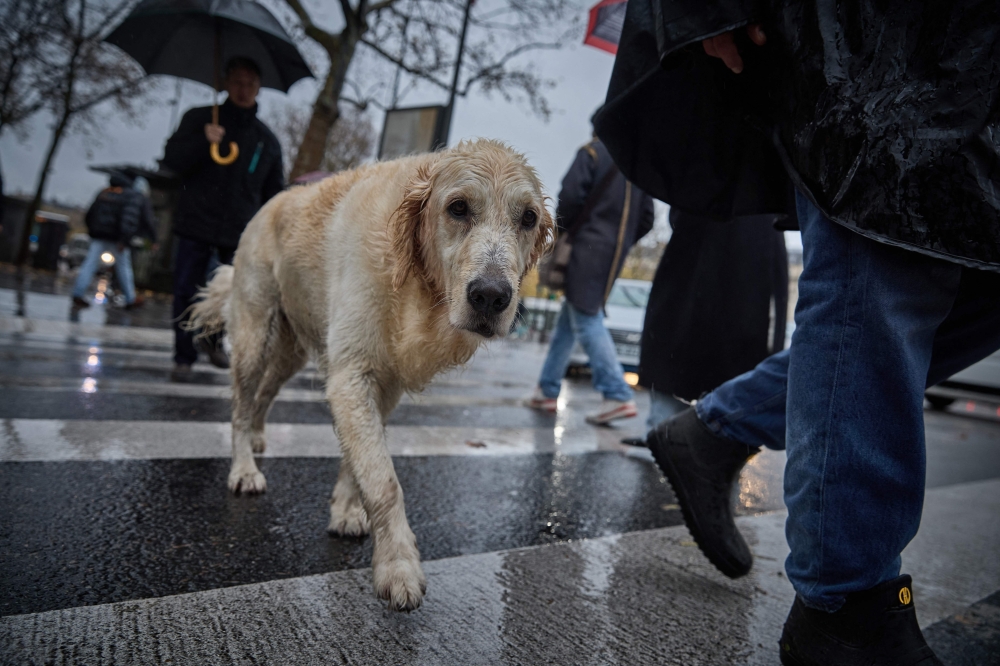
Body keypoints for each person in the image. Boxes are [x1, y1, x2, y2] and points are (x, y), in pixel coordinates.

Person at [595, 2, 1000, 664]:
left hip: (978, 61)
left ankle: (718, 430)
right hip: (869, 41)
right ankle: (849, 602)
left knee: (967, 285)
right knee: (881, 253)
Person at [161, 56, 283, 378]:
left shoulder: (266, 141)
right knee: (186, 289)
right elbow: (172, 162)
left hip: (238, 232)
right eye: (238, 82)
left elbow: (273, 195)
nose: (244, 90)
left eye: (251, 84)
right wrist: (204, 141)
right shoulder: (200, 119)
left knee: (234, 293)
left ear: (259, 88)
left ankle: (213, 341)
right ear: (226, 83)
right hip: (195, 223)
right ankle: (183, 356)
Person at [525, 135, 654, 425]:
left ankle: (617, 393)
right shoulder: (639, 166)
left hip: (585, 247)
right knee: (570, 319)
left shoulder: (593, 152)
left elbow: (569, 196)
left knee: (585, 315)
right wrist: (620, 240)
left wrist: (566, 230)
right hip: (614, 252)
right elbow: (646, 219)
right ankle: (547, 389)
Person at [641, 208, 788, 427]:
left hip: (709, 225)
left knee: (676, 341)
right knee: (732, 361)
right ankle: (709, 436)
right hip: (750, 234)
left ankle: (667, 430)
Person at [72, 171, 156, 310]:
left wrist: (92, 231)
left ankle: (78, 293)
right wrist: (125, 239)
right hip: (118, 238)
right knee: (124, 268)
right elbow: (129, 219)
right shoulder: (131, 195)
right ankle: (130, 298)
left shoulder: (105, 192)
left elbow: (90, 214)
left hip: (99, 236)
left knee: (89, 264)